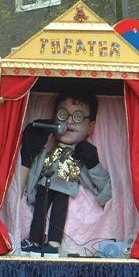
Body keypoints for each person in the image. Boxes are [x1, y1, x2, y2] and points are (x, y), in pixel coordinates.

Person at [20, 91, 112, 255]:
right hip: (44, 184)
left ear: (90, 127)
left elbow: (105, 190)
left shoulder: (82, 154)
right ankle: (35, 240)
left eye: (77, 116)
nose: (69, 121)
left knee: (58, 213)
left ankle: (53, 243)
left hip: (66, 187)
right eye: (63, 114)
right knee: (40, 211)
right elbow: (32, 174)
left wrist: (93, 165)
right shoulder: (46, 148)